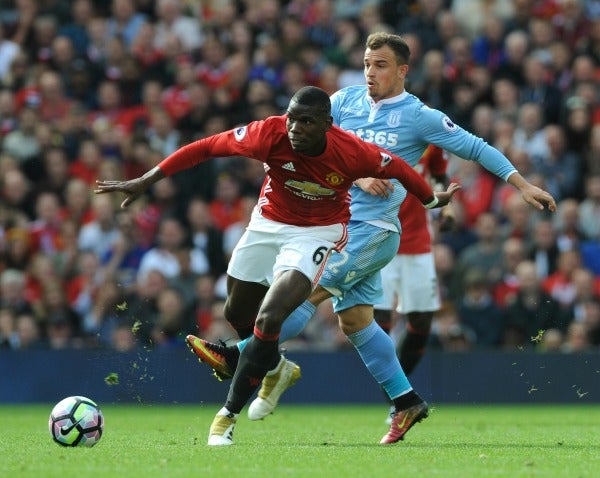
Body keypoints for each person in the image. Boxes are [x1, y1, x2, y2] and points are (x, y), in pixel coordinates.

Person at [186, 32, 557, 423]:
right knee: (357, 322)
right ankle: (406, 401)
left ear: (402, 70)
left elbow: (477, 147)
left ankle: (240, 353)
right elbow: (306, 137)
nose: (370, 72)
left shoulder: (419, 117)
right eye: (366, 64)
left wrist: (522, 184)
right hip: (334, 224)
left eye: (380, 65)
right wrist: (353, 176)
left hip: (373, 228)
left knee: (305, 291)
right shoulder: (343, 101)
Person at [95, 85, 458, 446]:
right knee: (244, 314)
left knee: (272, 317)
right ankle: (289, 370)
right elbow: (205, 148)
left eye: (306, 122)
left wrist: (430, 200)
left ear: (327, 125)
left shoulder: (351, 151)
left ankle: (226, 415)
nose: (295, 128)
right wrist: (147, 179)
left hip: (317, 234)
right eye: (291, 119)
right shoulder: (268, 133)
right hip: (267, 226)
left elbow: (398, 168)